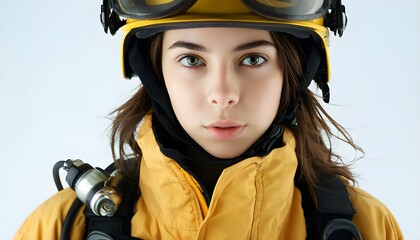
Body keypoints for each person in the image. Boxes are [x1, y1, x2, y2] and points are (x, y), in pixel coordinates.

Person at [15, 0, 403, 239]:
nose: (223, 93)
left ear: (293, 70)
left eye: (253, 59)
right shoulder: (62, 229)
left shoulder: (368, 228)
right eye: (192, 60)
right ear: (155, 71)